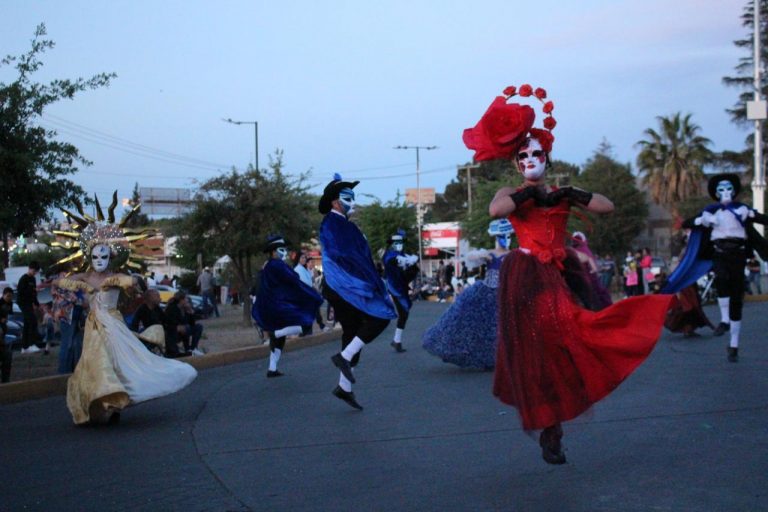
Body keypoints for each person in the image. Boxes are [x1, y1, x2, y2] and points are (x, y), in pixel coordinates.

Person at [466, 84, 672, 464]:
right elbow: (497, 211)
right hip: (527, 277)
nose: (531, 159)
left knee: (571, 338)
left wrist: (572, 195)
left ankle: (554, 425)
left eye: (537, 154)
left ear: (547, 157)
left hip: (560, 272)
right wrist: (527, 196)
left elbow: (606, 206)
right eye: (524, 155)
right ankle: (551, 428)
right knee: (539, 350)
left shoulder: (561, 191)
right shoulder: (511, 191)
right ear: (516, 163)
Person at [53, 197, 197, 425]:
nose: (99, 260)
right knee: (93, 364)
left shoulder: (117, 277)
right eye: (95, 256)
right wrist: (77, 287)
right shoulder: (85, 276)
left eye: (104, 256)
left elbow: (134, 283)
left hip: (112, 325)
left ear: (110, 257)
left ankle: (115, 404)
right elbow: (60, 282)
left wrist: (130, 283)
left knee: (115, 362)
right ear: (89, 257)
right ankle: (99, 405)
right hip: (93, 326)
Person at [663, 173, 768, 362]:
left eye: (728, 188)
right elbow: (689, 223)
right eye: (721, 189)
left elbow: (761, 219)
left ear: (734, 191)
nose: (725, 192)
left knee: (736, 297)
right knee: (721, 279)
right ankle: (724, 320)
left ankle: (734, 344)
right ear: (716, 193)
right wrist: (699, 221)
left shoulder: (743, 210)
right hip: (719, 252)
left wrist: (752, 216)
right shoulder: (711, 211)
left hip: (738, 253)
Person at [319, 173, 397, 410]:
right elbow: (348, 257)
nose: (352, 201)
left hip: (342, 286)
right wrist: (371, 281)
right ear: (335, 202)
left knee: (352, 331)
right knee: (381, 316)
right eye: (347, 197)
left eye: (353, 196)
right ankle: (343, 358)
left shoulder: (343, 225)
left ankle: (344, 387)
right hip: (345, 286)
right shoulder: (334, 224)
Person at [422, 219, 513, 369]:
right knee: (481, 326)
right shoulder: (488, 253)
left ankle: (503, 358)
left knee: (501, 327)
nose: (506, 239)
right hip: (486, 292)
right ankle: (488, 358)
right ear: (496, 237)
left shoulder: (514, 255)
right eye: (503, 236)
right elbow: (471, 258)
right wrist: (482, 255)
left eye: (508, 235)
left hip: (505, 293)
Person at [252, 235, 323, 377]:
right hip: (279, 306)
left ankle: (272, 368)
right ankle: (276, 333)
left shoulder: (270, 265)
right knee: (304, 323)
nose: (284, 252)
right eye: (281, 249)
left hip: (274, 305)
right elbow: (292, 278)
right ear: (273, 251)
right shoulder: (276, 265)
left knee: (279, 340)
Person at [382, 229, 419, 353]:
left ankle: (396, 341)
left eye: (401, 242)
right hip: (394, 287)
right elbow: (391, 261)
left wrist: (411, 264)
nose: (399, 244)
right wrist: (404, 261)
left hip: (400, 286)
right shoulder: (389, 255)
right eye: (397, 242)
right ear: (392, 244)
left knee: (404, 313)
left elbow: (411, 268)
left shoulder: (403, 255)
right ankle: (396, 341)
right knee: (403, 311)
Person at [294, 252, 328, 334]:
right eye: (302, 258)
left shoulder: (303, 268)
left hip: (308, 294)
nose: (304, 259)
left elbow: (310, 281)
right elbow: (305, 282)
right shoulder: (298, 269)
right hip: (304, 295)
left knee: (312, 312)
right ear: (298, 259)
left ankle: (309, 330)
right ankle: (306, 331)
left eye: (304, 258)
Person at [17, 261, 41, 354]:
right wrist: (32, 290)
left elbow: (34, 294)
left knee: (27, 324)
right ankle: (31, 344)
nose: (34, 273)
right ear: (30, 269)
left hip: (29, 303)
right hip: (23, 303)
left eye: (36, 272)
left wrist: (37, 304)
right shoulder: (23, 279)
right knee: (32, 321)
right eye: (34, 271)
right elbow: (21, 292)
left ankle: (24, 347)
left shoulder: (33, 279)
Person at [0, 287, 15, 382]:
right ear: (4, 295)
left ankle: (5, 380)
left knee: (7, 356)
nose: (9, 298)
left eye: (11, 296)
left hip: (3, 328)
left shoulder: (10, 303)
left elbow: (10, 313)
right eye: (8, 296)